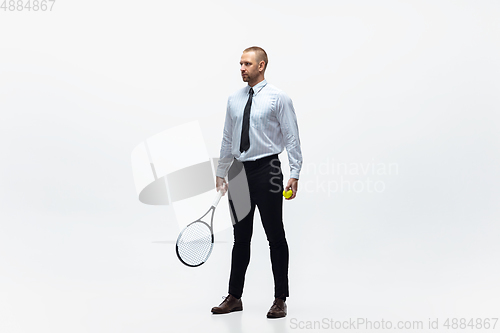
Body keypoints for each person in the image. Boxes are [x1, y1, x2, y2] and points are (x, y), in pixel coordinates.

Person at [211, 46, 302, 319]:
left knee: (275, 236)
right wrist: (222, 170)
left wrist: (294, 173)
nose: (242, 68)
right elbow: (228, 136)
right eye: (240, 63)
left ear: (261, 66)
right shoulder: (233, 99)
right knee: (241, 238)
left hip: (268, 170)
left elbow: (292, 136)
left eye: (247, 63)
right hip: (238, 173)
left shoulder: (278, 98)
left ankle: (280, 299)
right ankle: (234, 297)